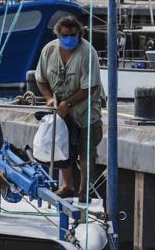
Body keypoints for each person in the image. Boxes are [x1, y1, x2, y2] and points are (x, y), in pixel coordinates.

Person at [35, 16, 104, 201]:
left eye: (73, 35)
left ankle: (83, 190)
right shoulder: (49, 50)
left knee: (85, 151)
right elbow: (40, 78)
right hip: (60, 110)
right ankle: (67, 186)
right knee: (62, 147)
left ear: (79, 34)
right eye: (65, 35)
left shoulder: (87, 53)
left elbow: (91, 86)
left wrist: (69, 103)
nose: (69, 39)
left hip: (85, 110)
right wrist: (49, 98)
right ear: (58, 35)